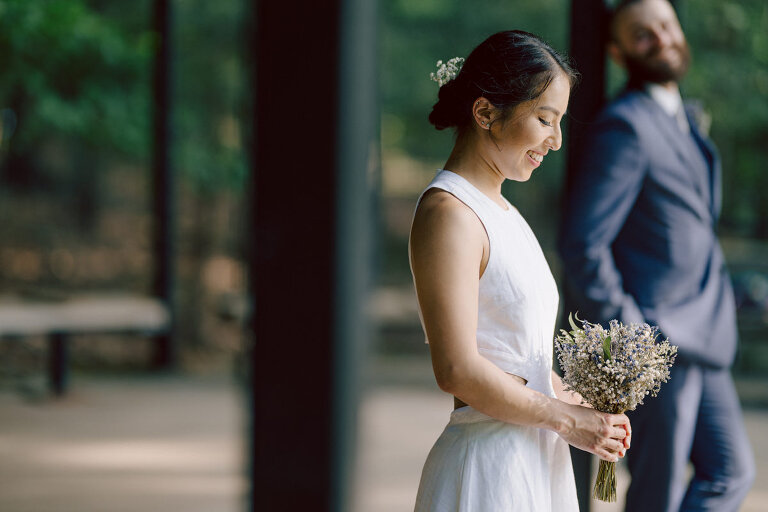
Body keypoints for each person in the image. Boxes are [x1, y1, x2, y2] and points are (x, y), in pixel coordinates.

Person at [409, 30, 631, 512]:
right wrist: (567, 421)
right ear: (486, 112)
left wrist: (589, 410)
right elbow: (457, 369)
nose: (555, 141)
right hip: (488, 470)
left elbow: (519, 359)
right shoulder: (450, 214)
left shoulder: (504, 211)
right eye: (544, 119)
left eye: (560, 123)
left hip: (535, 458)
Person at [558, 1, 756, 511]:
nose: (661, 38)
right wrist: (634, 339)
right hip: (660, 346)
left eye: (666, 25)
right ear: (617, 51)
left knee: (730, 471)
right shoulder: (625, 127)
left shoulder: (681, 119)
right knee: (656, 495)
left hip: (706, 338)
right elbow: (583, 243)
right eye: (642, 34)